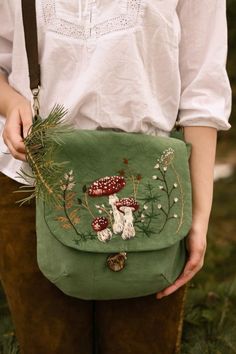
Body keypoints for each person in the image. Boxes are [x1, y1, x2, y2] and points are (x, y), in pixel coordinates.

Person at [0, 0, 232, 353]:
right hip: (32, 185)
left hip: (151, 190)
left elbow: (202, 89)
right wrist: (11, 103)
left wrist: (197, 214)